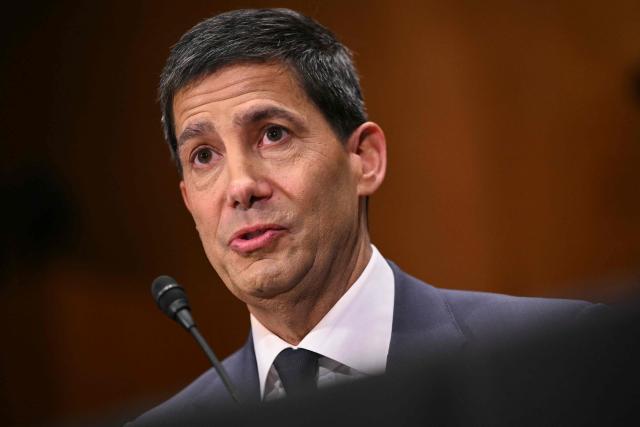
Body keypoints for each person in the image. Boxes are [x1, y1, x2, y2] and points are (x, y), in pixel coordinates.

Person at [130, 8, 605, 425]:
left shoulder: (566, 353)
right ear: (189, 201)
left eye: (273, 134)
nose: (240, 187)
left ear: (365, 159)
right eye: (204, 156)